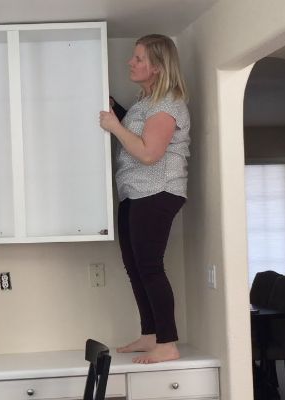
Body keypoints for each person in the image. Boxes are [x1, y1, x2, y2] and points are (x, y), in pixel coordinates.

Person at [99, 34, 190, 364]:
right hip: (135, 192)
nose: (131, 63)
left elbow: (149, 153)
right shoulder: (145, 103)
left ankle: (167, 342)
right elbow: (137, 130)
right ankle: (151, 334)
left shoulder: (167, 104)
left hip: (157, 191)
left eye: (138, 59)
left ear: (157, 67)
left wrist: (113, 125)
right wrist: (116, 110)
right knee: (135, 266)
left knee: (149, 267)